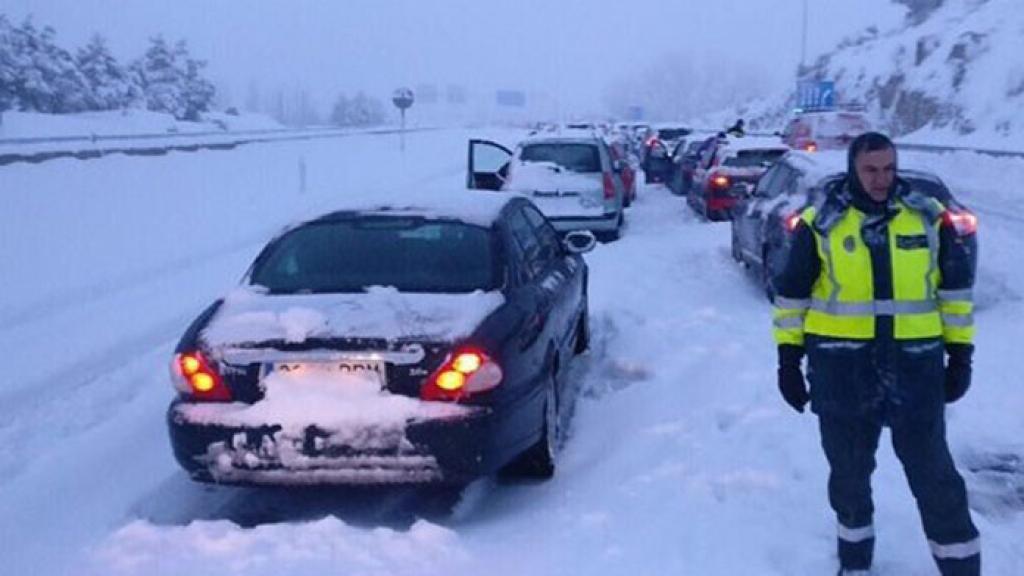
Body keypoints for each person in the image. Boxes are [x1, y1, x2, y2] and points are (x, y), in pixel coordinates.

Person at [772, 132, 980, 576]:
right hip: (841, 371)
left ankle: (962, 568)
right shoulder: (822, 223)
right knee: (848, 479)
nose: (881, 178)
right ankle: (855, 564)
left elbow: (955, 294)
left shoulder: (928, 218)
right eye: (870, 169)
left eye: (888, 168)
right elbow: (791, 297)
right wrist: (788, 361)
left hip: (915, 369)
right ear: (853, 169)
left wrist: (961, 355)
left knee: (937, 480)